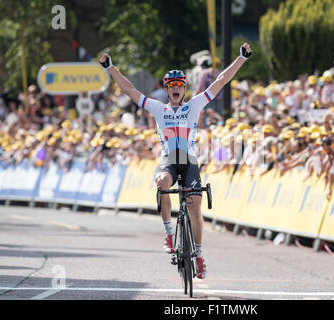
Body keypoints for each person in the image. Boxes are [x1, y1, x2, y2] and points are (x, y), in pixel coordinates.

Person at [99, 43, 252, 279]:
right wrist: (111, 68)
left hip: (189, 160)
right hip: (169, 159)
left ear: (185, 89)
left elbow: (221, 80)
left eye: (180, 86)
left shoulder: (195, 105)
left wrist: (241, 58)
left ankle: (199, 256)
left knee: (195, 206)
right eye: (172, 87)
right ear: (167, 90)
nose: (176, 89)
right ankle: (169, 233)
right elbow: (129, 89)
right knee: (162, 182)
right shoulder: (159, 108)